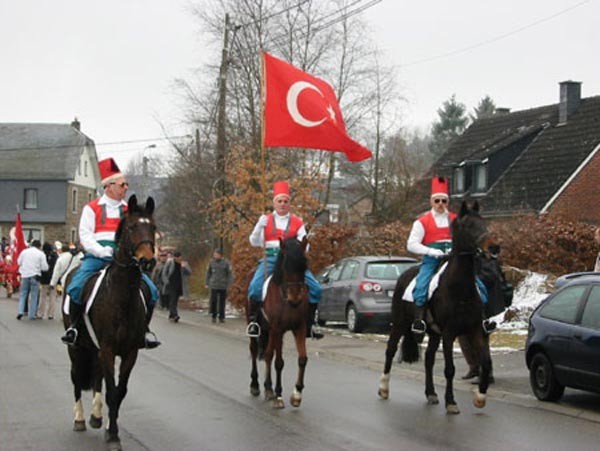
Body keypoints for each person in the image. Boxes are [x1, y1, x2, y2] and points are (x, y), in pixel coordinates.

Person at [61, 158, 160, 348]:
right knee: (75, 288)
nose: (125, 188)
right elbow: (85, 235)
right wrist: (101, 251)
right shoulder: (91, 208)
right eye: (122, 184)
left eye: (126, 184)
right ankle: (73, 328)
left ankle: (143, 331)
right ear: (109, 186)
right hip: (97, 257)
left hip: (124, 259)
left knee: (152, 291)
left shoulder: (128, 210)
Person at [407, 176, 494, 335]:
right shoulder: (422, 222)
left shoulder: (456, 219)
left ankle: (483, 318)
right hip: (432, 259)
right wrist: (431, 251)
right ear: (432, 202)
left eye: (444, 201)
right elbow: (411, 244)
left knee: (478, 285)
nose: (440, 204)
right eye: (437, 201)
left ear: (447, 202)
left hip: (454, 258)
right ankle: (419, 320)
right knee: (422, 285)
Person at [246, 180, 323, 339]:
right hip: (271, 259)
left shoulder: (297, 222)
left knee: (316, 288)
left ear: (289, 203)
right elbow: (254, 242)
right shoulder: (265, 220)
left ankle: (311, 322)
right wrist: (259, 226)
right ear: (274, 203)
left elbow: (305, 245)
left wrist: (297, 250)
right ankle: (254, 322)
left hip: (291, 261)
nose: (282, 204)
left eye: (286, 201)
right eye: (279, 201)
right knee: (254, 288)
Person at [16, 240, 48, 320]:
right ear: (39, 246)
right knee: (34, 295)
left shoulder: (24, 252)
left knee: (23, 294)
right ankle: (32, 314)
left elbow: (19, 262)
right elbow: (45, 267)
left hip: (25, 274)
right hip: (35, 275)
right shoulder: (41, 254)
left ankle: (21, 311)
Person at [205, 249, 233, 323]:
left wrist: (229, 283)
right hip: (214, 284)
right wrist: (207, 282)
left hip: (223, 285)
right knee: (214, 301)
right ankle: (214, 315)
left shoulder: (226, 262)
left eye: (217, 254)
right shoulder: (211, 262)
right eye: (214, 255)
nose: (215, 256)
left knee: (222, 302)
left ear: (221, 255)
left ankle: (221, 317)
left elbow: (229, 274)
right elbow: (208, 273)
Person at [162, 251, 190, 322]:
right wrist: (166, 281)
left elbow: (189, 272)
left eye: (179, 257)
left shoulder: (184, 264)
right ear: (174, 257)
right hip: (171, 284)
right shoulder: (170, 263)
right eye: (176, 257)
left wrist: (184, 267)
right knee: (172, 299)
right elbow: (164, 273)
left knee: (175, 300)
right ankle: (175, 315)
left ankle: (171, 315)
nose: (178, 259)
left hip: (179, 285)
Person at [37, 241, 58, 319]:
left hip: (44, 278)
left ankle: (40, 313)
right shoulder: (55, 256)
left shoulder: (42, 255)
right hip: (53, 278)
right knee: (52, 297)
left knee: (43, 296)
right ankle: (51, 314)